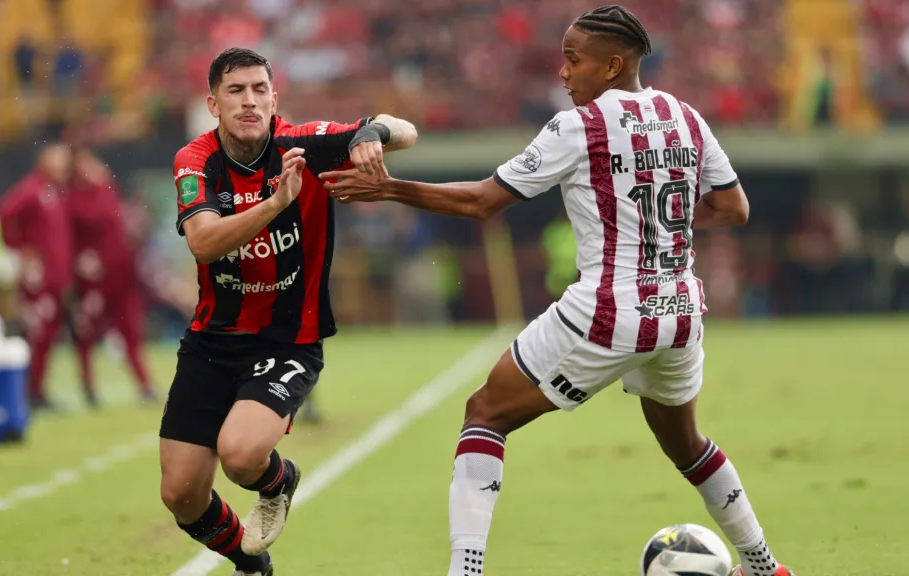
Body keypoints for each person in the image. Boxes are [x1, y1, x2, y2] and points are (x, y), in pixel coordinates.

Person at [321, 6, 794, 576]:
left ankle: (464, 570)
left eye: (573, 60)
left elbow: (482, 202)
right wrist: (659, 229)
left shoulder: (581, 125)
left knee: (485, 413)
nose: (564, 74)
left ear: (613, 64)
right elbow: (733, 208)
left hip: (608, 309)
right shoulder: (686, 117)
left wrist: (390, 190)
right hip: (680, 310)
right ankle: (765, 568)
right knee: (686, 444)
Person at [158, 47, 417, 576]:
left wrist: (371, 134)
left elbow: (404, 128)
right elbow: (204, 244)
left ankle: (277, 482)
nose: (249, 101)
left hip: (287, 340)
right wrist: (274, 205)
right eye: (235, 91)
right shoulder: (196, 159)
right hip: (212, 339)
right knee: (181, 493)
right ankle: (252, 566)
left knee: (239, 455)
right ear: (213, 103)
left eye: (259, 90)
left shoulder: (305, 144)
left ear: (275, 99)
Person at [68, 149, 156, 407]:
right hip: (96, 281)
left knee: (131, 332)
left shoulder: (107, 188)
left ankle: (145, 385)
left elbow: (120, 228)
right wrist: (79, 259)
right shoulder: (73, 198)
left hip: (122, 275)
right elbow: (69, 236)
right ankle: (88, 386)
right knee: (86, 332)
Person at [0, 143, 73, 410]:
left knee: (48, 334)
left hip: (54, 280)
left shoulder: (56, 191)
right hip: (37, 280)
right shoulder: (32, 188)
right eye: (57, 158)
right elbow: (4, 213)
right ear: (43, 160)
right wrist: (19, 248)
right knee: (38, 333)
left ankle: (36, 390)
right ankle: (30, 392)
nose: (62, 164)